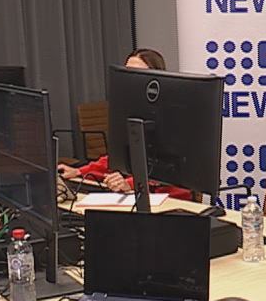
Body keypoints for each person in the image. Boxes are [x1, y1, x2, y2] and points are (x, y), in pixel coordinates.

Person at [58, 48, 193, 201]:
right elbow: (118, 158)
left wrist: (131, 184)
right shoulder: (132, 109)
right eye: (128, 72)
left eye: (137, 73)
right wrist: (79, 172)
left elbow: (167, 168)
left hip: (171, 197)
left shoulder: (173, 113)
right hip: (140, 194)